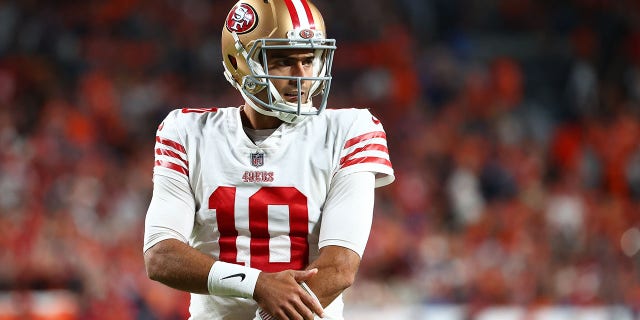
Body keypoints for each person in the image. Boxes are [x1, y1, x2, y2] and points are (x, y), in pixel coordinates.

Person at [142, 0, 394, 319]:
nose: (301, 76)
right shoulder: (187, 131)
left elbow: (340, 267)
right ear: (240, 62)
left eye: (310, 59)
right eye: (283, 61)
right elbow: (161, 255)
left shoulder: (350, 130)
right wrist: (259, 285)